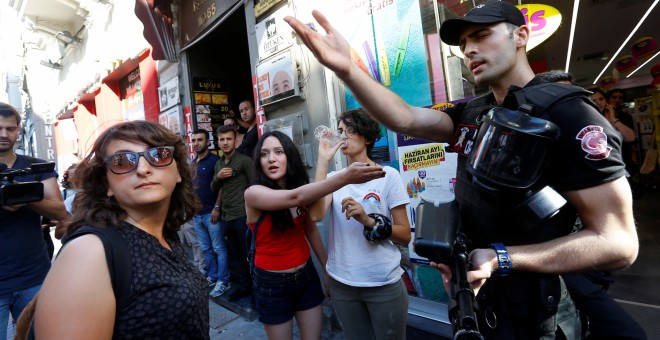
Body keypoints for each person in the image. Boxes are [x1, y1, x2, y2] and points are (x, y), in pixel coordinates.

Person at [285, 2, 638, 338]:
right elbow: (405, 117)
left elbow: (617, 243)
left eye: (481, 35)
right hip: (479, 300)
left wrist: (503, 259)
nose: (469, 49)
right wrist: (346, 68)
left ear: (520, 36)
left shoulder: (571, 115)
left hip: (540, 310)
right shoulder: (473, 112)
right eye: (464, 43)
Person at [32, 120, 208, 338]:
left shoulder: (166, 235)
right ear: (107, 185)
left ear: (178, 172)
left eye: (159, 155)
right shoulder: (89, 252)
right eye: (122, 161)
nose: (144, 169)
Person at [244, 130, 386, 339]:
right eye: (264, 154)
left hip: (306, 277)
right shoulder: (253, 193)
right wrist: (344, 177)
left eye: (278, 152)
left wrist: (326, 268)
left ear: (289, 157)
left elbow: (310, 227)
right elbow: (295, 197)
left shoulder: (301, 188)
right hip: (271, 284)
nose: (271, 159)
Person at [537, 75, 647, 339]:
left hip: (593, 256)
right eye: (560, 98)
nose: (571, 105)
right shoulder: (541, 144)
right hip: (565, 258)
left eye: (577, 98)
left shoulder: (590, 130)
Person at [310, 109, 411, 340]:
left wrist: (368, 221)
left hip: (383, 282)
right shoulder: (334, 179)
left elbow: (405, 235)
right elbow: (315, 215)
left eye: (350, 130)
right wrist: (323, 162)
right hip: (342, 283)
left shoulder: (388, 175)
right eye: (340, 131)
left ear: (367, 137)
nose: (343, 136)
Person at [0, 102, 68, 340]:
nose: (4, 134)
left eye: (10, 128)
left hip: (33, 275)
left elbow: (59, 210)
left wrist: (25, 197)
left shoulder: (37, 166)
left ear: (19, 130)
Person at [211, 125, 254, 300]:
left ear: (236, 141)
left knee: (249, 256)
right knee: (235, 256)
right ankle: (244, 288)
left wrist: (251, 215)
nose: (225, 142)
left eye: (229, 139)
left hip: (243, 216)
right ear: (218, 142)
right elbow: (214, 189)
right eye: (222, 139)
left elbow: (255, 187)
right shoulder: (219, 163)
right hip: (226, 217)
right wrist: (218, 177)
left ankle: (256, 292)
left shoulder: (245, 161)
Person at [190, 128, 228, 296]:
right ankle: (212, 276)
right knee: (206, 249)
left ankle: (223, 280)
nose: (196, 143)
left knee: (219, 248)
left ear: (208, 142)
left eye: (200, 140)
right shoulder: (193, 162)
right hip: (197, 215)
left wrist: (217, 208)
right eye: (194, 140)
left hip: (211, 213)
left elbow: (221, 186)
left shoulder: (215, 161)